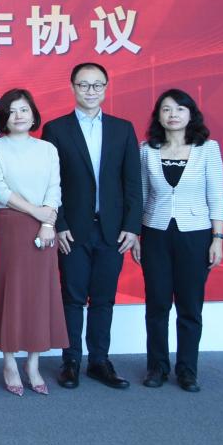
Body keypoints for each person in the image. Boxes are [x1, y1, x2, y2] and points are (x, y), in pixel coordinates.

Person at [42, 63, 141, 390]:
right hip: (72, 229)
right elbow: (50, 182)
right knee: (71, 296)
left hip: (113, 230)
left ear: (106, 88)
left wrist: (132, 226)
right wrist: (58, 223)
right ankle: (70, 361)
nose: (90, 91)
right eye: (84, 85)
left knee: (103, 298)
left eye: (97, 85)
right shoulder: (56, 129)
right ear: (72, 87)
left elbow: (132, 182)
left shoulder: (122, 129)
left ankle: (99, 361)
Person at [131, 89, 223, 392]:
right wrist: (136, 235)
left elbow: (217, 194)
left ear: (190, 114)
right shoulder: (146, 150)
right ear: (158, 116)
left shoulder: (207, 149)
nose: (173, 115)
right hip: (155, 232)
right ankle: (157, 367)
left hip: (195, 234)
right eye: (166, 109)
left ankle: (187, 370)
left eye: (180, 109)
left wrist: (217, 237)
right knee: (157, 304)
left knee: (189, 306)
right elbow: (140, 194)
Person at [0, 89, 69, 396]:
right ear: (3, 117)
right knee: (11, 292)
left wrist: (47, 223)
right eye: (12, 111)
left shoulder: (47, 149)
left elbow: (55, 188)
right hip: (11, 225)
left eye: (24, 110)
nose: (18, 116)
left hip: (45, 227)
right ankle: (9, 363)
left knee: (39, 294)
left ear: (33, 115)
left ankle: (33, 364)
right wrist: (35, 212)